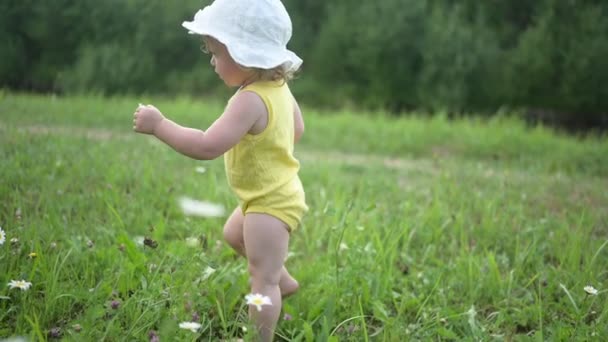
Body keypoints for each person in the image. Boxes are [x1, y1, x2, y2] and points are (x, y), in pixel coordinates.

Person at [132, 0, 307, 340]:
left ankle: (264, 321)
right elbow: (296, 128)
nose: (212, 61)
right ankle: (282, 279)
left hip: (270, 203)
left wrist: (160, 125)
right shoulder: (277, 88)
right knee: (233, 235)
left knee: (261, 279)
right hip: (272, 193)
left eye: (217, 53)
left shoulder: (250, 100)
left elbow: (206, 145)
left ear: (246, 55)